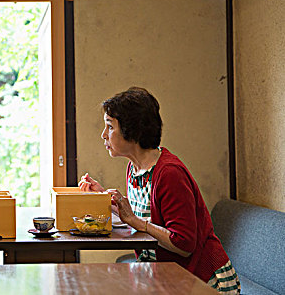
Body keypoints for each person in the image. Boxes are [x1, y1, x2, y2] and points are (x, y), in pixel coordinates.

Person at [79, 87, 240, 294]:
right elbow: (140, 218)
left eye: (110, 127)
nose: (103, 135)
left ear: (132, 130)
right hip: (167, 277)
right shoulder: (135, 168)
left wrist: (138, 223)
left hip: (202, 281)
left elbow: (183, 244)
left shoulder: (169, 173)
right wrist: (103, 199)